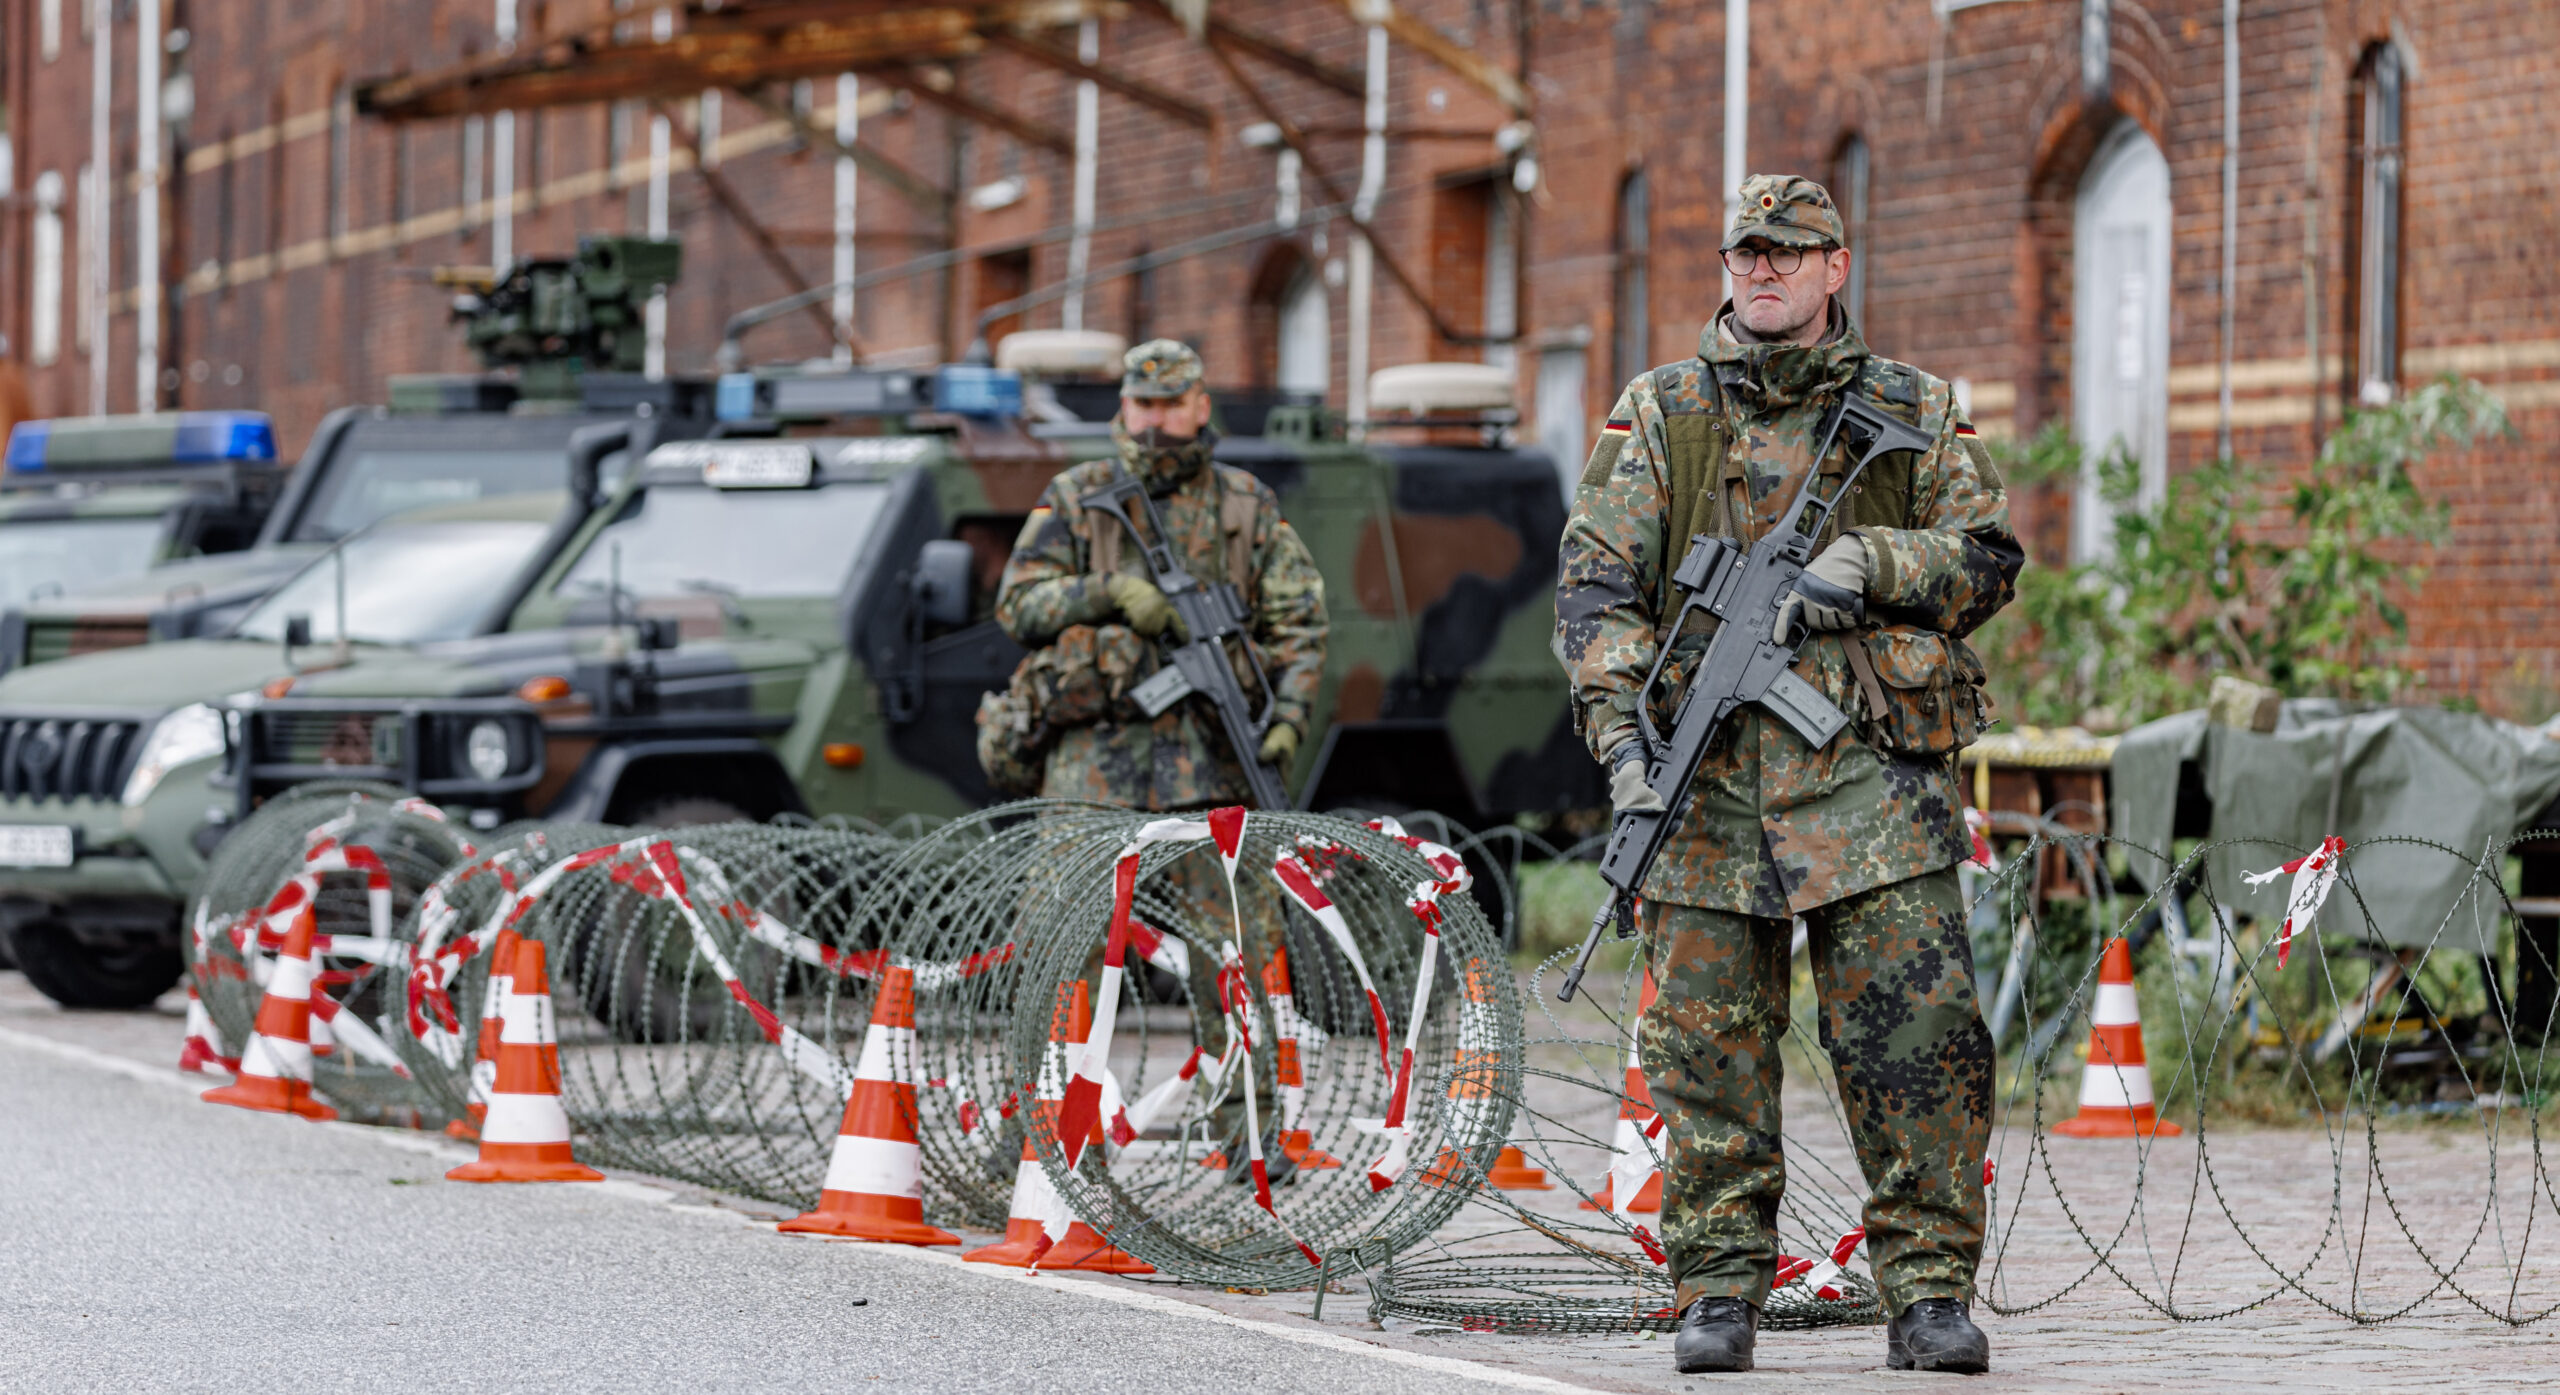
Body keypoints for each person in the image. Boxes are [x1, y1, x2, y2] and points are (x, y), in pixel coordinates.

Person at [1554, 175, 2022, 1375]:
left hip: (1872, 783)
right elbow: (1597, 592)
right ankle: (1717, 1289)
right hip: (1702, 783)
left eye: (1787, 252)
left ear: (1834, 266)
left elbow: (1985, 563)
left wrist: (1872, 559)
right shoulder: (1660, 411)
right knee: (1707, 1049)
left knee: (1915, 1044)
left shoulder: (1913, 407)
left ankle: (1925, 1293)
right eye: (1743, 253)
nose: (1760, 271)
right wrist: (1622, 749)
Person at [994, 338, 1328, 1177]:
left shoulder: (1246, 505)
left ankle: (1248, 1128)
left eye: (1169, 403)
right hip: (1094, 762)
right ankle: (1035, 1120)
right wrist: (1110, 594)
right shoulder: (1080, 498)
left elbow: (1299, 623)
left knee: (1239, 950)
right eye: (1140, 404)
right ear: (1123, 407)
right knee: (1058, 945)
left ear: (1200, 404)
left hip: (1210, 763)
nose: (1154, 419)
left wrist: (1285, 717)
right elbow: (1018, 602)